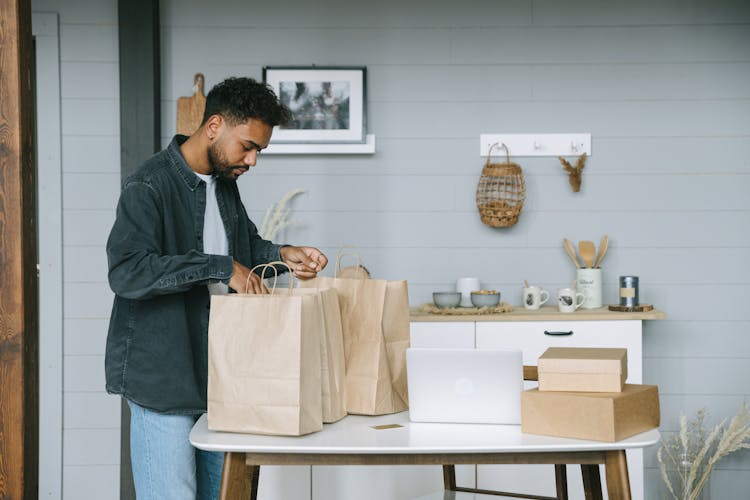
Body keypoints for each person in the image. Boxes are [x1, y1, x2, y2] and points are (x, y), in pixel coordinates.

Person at [104, 77, 328, 500]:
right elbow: (128, 272)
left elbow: (244, 248)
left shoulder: (224, 187)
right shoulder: (148, 185)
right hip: (164, 379)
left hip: (223, 377)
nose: (253, 160)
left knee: (226, 494)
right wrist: (222, 268)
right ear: (214, 126)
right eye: (247, 146)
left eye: (259, 149)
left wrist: (283, 253)